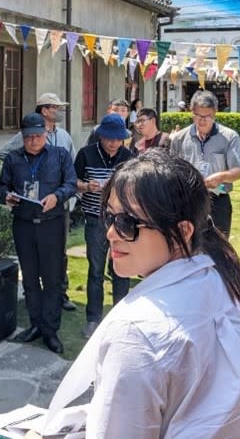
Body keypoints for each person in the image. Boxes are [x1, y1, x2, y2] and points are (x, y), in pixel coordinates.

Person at [45, 150, 240, 438]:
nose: (111, 234)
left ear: (183, 230)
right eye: (109, 217)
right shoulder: (222, 283)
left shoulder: (138, 331)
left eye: (128, 223)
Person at [0, 113, 77, 354]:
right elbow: (2, 186)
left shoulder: (59, 155)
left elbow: (71, 183)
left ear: (46, 134)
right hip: (23, 224)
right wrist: (6, 196)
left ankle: (50, 330)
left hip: (51, 223)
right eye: (29, 136)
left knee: (52, 279)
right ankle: (35, 325)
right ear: (22, 137)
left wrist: (57, 196)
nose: (33, 141)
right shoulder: (13, 159)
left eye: (38, 136)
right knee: (30, 278)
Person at [74, 114, 134, 339]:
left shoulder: (128, 156)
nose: (113, 143)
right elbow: (73, 182)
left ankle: (120, 317)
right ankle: (93, 319)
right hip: (95, 218)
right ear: (101, 137)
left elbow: (135, 185)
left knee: (122, 268)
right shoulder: (86, 154)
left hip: (121, 220)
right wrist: (86, 186)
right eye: (109, 139)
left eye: (118, 139)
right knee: (95, 270)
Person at [168, 90, 240, 237]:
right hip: (188, 199)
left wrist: (221, 177)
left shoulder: (229, 137)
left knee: (218, 246)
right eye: (198, 116)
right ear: (192, 113)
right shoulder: (179, 138)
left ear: (214, 114)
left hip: (217, 200)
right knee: (187, 244)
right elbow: (172, 172)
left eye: (207, 116)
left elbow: (237, 172)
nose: (202, 120)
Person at [0, 92, 76, 161]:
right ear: (44, 111)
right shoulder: (29, 134)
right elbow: (3, 154)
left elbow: (72, 162)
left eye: (60, 108)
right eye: (56, 107)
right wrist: (26, 166)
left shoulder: (64, 135)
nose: (60, 111)